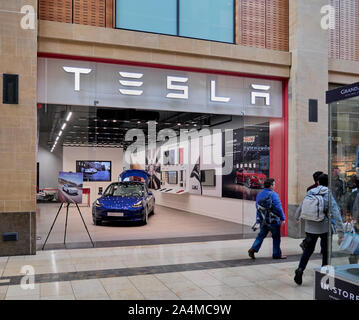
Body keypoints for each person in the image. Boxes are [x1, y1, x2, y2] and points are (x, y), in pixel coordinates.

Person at [294, 174, 344, 285]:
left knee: (308, 250)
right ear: (328, 183)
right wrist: (341, 232)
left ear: (318, 182)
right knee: (326, 251)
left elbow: (301, 206)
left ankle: (300, 269)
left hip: (310, 227)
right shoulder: (328, 194)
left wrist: (297, 217)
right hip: (324, 227)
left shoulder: (310, 192)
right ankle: (324, 274)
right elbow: (336, 213)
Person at [248, 178, 287, 260]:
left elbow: (257, 207)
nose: (275, 186)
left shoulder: (259, 194)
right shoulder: (274, 194)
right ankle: (276, 254)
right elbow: (278, 208)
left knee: (261, 235)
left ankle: (253, 249)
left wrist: (258, 218)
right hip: (273, 220)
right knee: (276, 237)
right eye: (274, 184)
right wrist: (283, 218)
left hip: (263, 220)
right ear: (271, 185)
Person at [299, 171, 324, 251]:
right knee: (324, 235)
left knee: (311, 235)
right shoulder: (325, 189)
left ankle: (306, 245)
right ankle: (323, 250)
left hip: (310, 215)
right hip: (321, 214)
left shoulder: (309, 188)